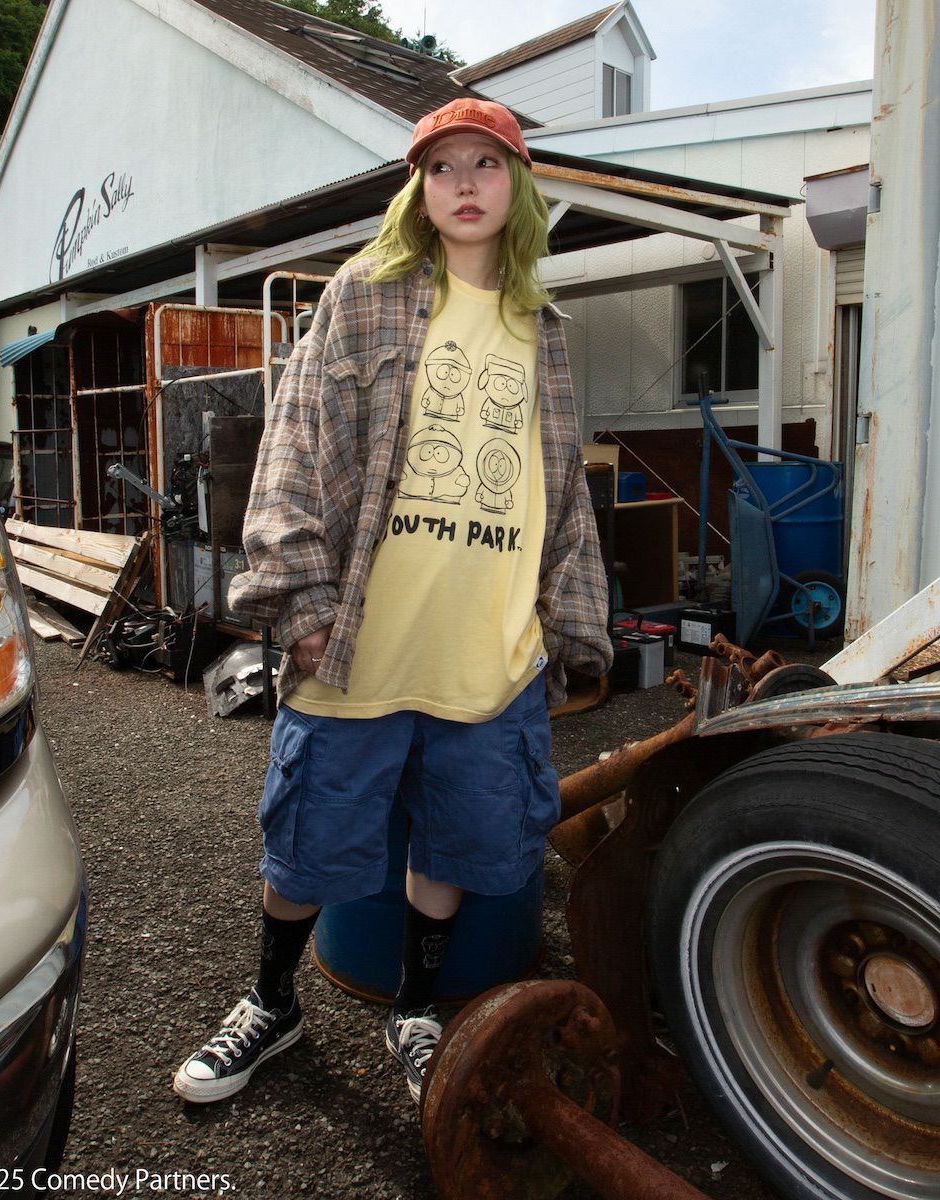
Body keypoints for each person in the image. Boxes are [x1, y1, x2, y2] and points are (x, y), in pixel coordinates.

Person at [173, 98, 612, 1106]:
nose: (464, 184)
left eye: (485, 164)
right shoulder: (362, 295)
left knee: (454, 842)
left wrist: (564, 622)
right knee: (307, 840)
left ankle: (414, 1010)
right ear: (417, 189)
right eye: (441, 166)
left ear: (517, 185)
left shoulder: (542, 329)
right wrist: (302, 602)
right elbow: (292, 444)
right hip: (357, 644)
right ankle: (271, 1002)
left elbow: (561, 491)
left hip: (489, 652)